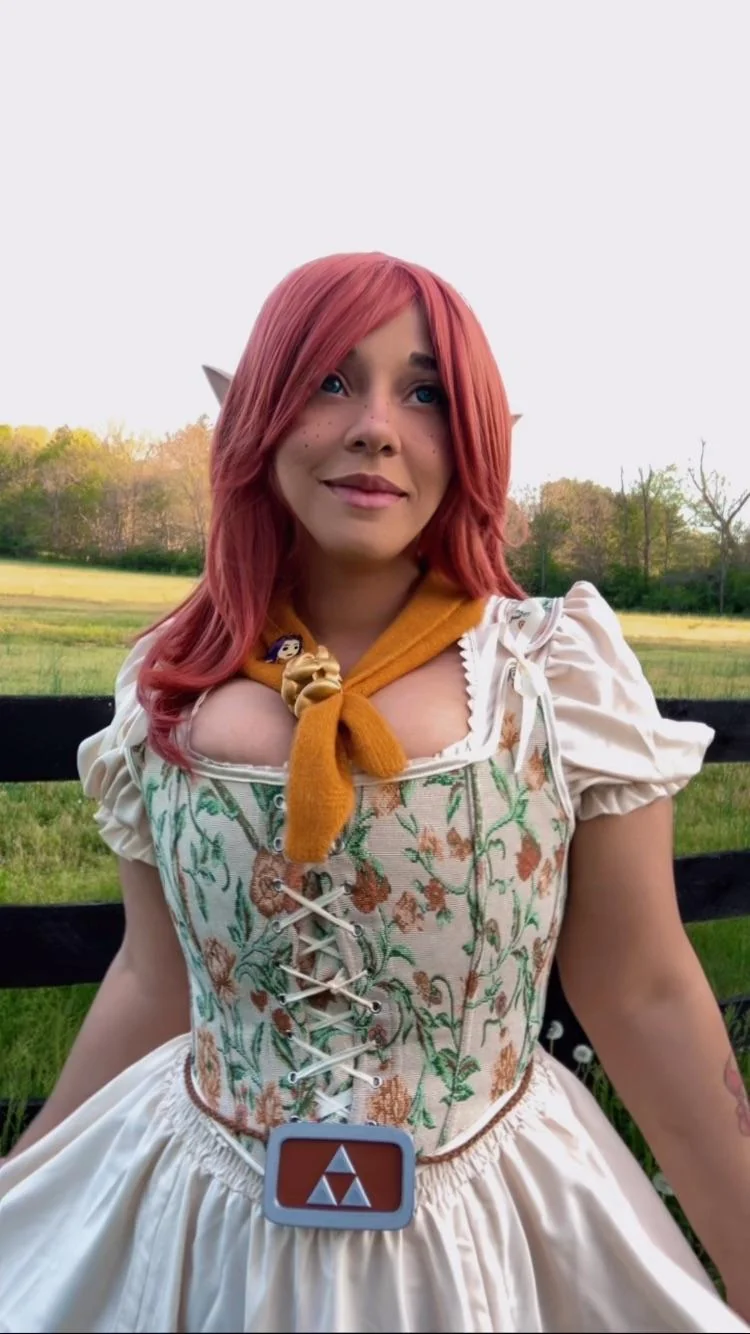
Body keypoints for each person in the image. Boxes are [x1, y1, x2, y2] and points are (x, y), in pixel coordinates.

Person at [0, 252, 747, 1334]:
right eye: (329, 381)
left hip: (484, 1227)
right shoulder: (170, 684)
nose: (376, 428)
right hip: (205, 1224)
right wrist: (26, 1179)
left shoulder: (551, 671)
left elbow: (641, 986)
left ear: (478, 430)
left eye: (426, 391)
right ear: (254, 413)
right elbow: (156, 975)